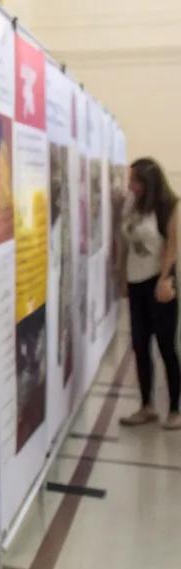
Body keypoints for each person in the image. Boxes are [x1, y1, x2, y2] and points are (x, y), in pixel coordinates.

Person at [119, 157, 181, 429]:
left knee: (166, 347)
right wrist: (122, 276)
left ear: (148, 182)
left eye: (134, 180)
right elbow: (125, 242)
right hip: (135, 283)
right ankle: (147, 406)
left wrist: (166, 279)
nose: (130, 185)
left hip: (159, 284)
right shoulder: (131, 204)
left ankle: (175, 410)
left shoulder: (169, 206)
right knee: (139, 345)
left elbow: (172, 246)